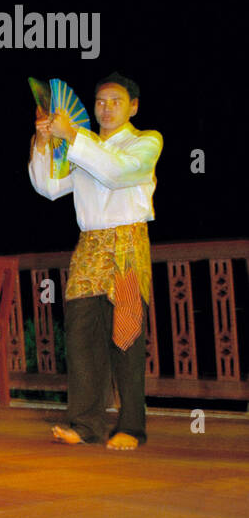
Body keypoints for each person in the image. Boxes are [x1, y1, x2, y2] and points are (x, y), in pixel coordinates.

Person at [29, 72, 161, 450]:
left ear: (133, 106)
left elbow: (119, 173)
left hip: (126, 245)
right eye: (100, 101)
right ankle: (85, 424)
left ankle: (131, 427)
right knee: (82, 334)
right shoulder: (84, 147)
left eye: (115, 101)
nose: (105, 108)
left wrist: (73, 136)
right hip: (89, 246)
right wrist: (42, 142)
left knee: (127, 336)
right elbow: (50, 188)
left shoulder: (146, 141)